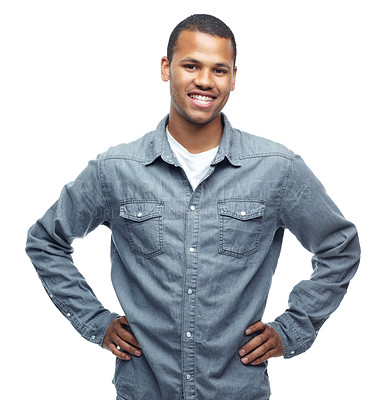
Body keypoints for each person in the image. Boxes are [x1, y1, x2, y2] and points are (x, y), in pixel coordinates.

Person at [26, 14, 361, 400]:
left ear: (234, 78)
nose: (205, 80)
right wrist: (95, 322)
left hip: (238, 391)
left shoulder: (277, 170)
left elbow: (340, 246)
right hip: (143, 391)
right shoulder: (115, 171)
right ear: (167, 69)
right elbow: (45, 241)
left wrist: (292, 330)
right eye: (191, 65)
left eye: (219, 69)